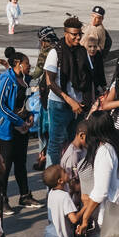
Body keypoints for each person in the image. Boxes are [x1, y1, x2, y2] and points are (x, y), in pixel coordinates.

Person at [0, 48, 36, 207]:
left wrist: (30, 117)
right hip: (7, 129)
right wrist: (19, 122)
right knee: (5, 164)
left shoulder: (26, 79)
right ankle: (2, 199)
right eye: (26, 63)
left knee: (21, 162)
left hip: (22, 129)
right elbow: (1, 106)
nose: (29, 66)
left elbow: (28, 101)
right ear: (18, 64)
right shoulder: (7, 81)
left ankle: (25, 195)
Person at [44, 16, 92, 166]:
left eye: (80, 34)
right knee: (55, 144)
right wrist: (69, 100)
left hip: (78, 106)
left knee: (75, 143)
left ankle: (72, 179)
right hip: (59, 105)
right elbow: (49, 82)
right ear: (66, 34)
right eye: (74, 34)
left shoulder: (82, 52)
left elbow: (90, 78)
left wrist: (88, 101)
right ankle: (52, 185)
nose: (78, 37)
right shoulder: (55, 52)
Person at [83, 29, 107, 103]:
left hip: (95, 86)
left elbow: (101, 72)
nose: (92, 49)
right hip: (85, 87)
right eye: (90, 46)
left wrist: (104, 87)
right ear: (85, 46)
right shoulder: (82, 56)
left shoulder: (98, 55)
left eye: (95, 46)